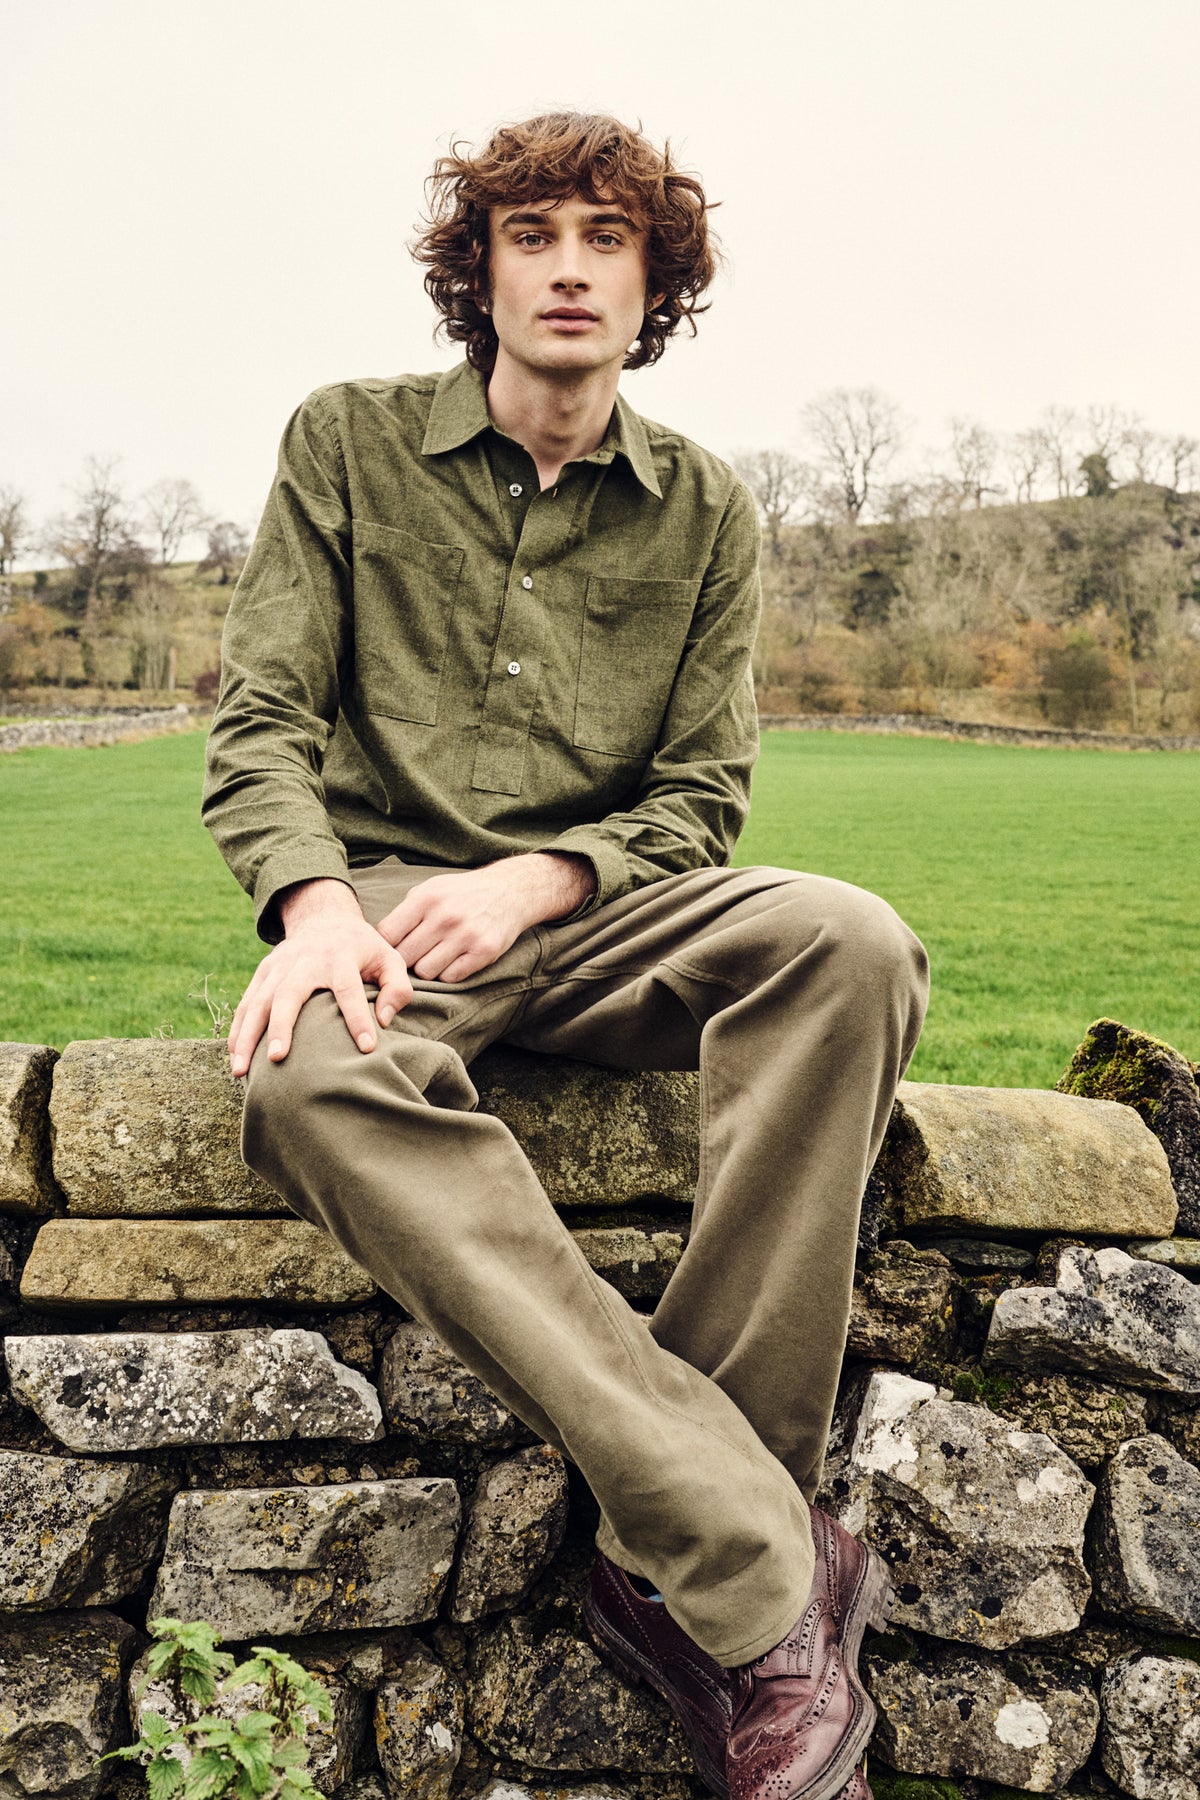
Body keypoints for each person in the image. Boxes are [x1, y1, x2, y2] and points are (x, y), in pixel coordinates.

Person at [202, 111, 929, 1800]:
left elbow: (701, 800)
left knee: (849, 940)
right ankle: (750, 1565)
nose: (572, 267)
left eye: (609, 238)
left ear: (653, 280)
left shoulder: (708, 510)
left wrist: (542, 880)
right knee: (302, 1078)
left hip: (594, 916)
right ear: (483, 273)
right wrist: (318, 912)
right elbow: (258, 726)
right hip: (379, 917)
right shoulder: (347, 444)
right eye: (535, 235)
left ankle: (685, 1553)